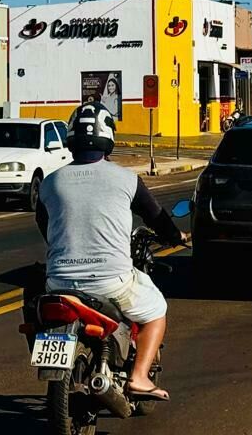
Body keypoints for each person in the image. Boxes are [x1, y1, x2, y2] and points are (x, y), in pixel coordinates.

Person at [36, 102, 185, 401]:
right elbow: (156, 216)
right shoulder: (126, 178)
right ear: (109, 138)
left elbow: (45, 225)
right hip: (109, 282)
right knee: (157, 311)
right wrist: (175, 236)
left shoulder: (50, 182)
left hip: (58, 283)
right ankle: (140, 377)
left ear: (71, 139)